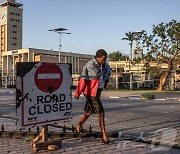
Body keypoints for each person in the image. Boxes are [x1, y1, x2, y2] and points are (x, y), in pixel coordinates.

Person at [75, 49, 111, 144]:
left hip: (97, 91)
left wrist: (106, 84)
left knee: (89, 111)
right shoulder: (90, 65)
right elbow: (83, 79)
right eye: (103, 59)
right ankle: (104, 135)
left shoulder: (105, 65)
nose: (104, 61)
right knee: (101, 112)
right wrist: (78, 93)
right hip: (91, 92)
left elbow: (107, 75)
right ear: (97, 58)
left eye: (105, 59)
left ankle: (78, 126)